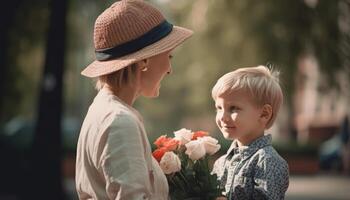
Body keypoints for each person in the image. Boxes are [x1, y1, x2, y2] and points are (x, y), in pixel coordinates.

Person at [75, 0, 193, 199]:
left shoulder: (103, 110)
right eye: (169, 56)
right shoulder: (119, 121)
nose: (169, 69)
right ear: (144, 61)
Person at [211, 66, 289, 199]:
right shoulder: (221, 162)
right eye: (219, 108)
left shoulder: (267, 162)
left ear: (264, 114)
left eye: (233, 108)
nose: (222, 117)